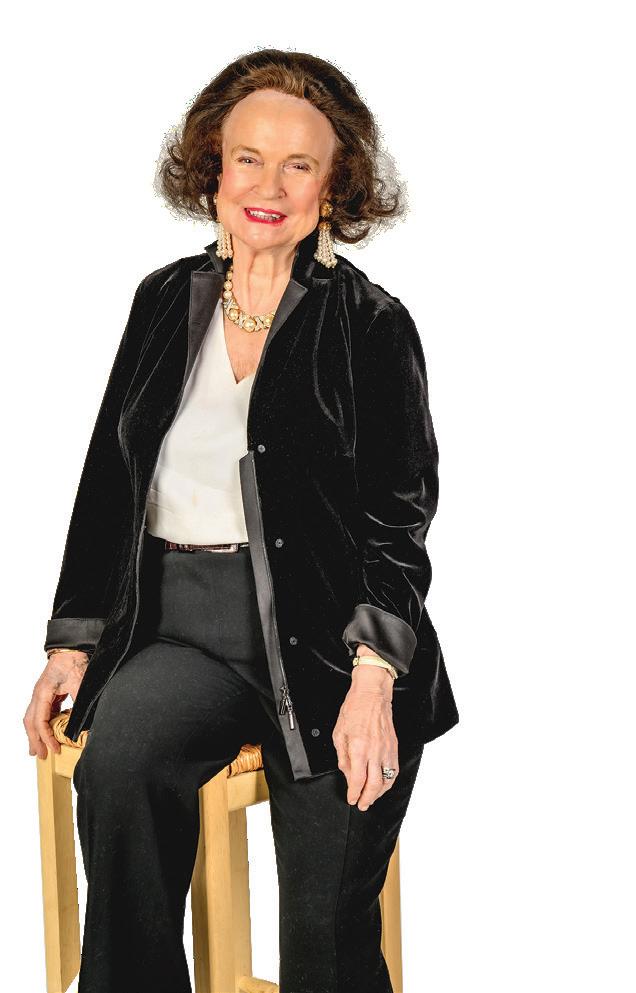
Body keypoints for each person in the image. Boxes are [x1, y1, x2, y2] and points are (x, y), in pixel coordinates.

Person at [24, 49, 459, 993]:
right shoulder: (163, 300)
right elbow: (110, 481)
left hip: (337, 651)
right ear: (212, 171)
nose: (269, 186)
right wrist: (74, 640)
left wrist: (374, 679)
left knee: (322, 941)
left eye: (299, 165)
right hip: (185, 633)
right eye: (248, 158)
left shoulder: (370, 324)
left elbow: (400, 520)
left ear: (334, 187)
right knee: (119, 769)